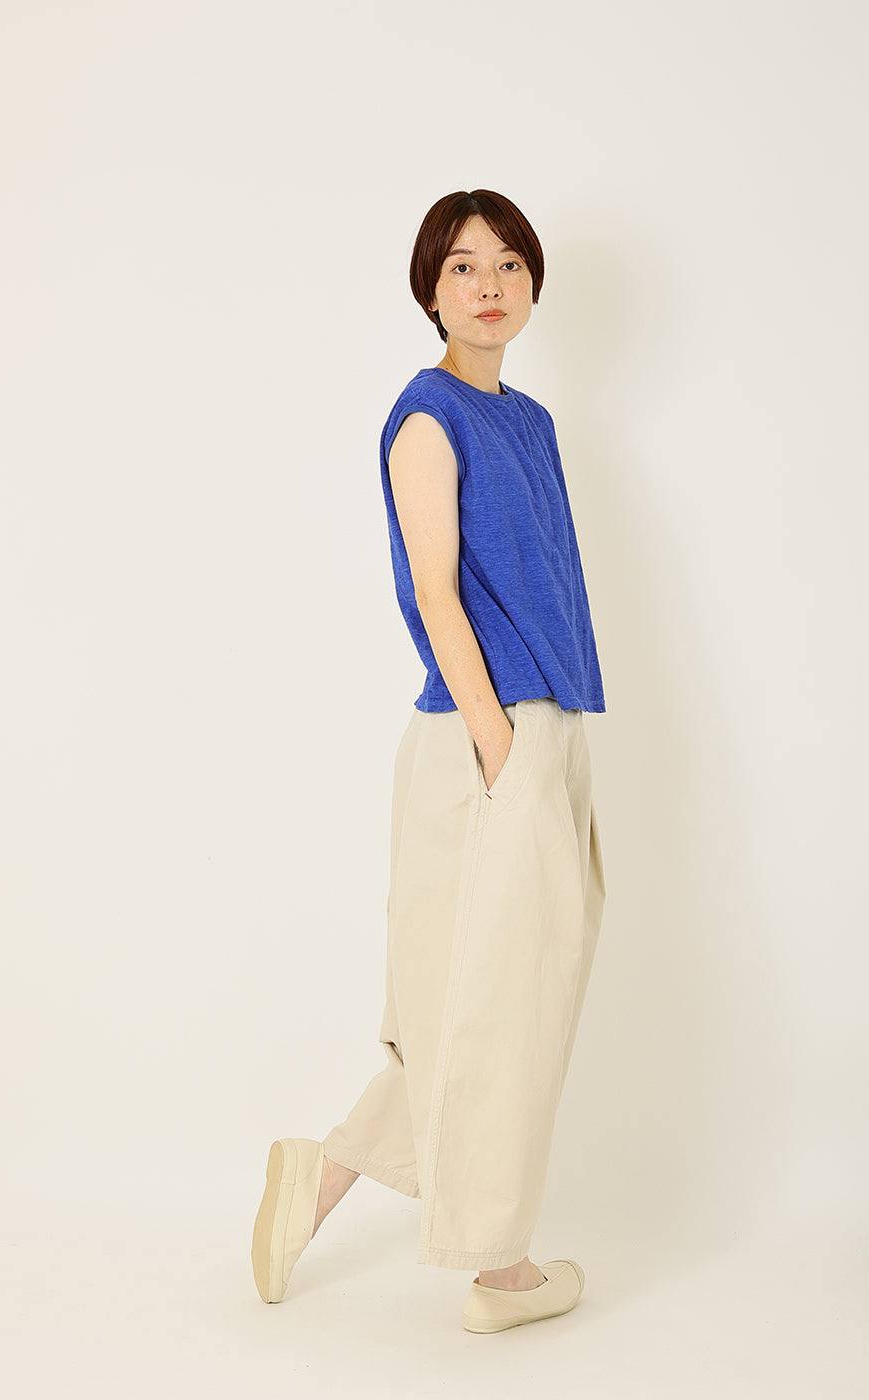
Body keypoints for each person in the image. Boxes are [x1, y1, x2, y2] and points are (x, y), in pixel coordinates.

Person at [251, 189, 607, 1334]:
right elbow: (435, 592)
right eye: (462, 266)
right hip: (482, 735)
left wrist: (543, 740)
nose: (488, 284)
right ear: (430, 289)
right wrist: (501, 745)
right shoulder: (424, 417)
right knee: (498, 1005)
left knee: (492, 995)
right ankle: (497, 1268)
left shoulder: (531, 420)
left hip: (542, 726)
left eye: (507, 263)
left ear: (533, 283)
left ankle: (319, 1176)